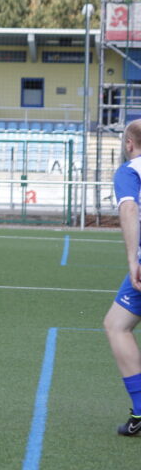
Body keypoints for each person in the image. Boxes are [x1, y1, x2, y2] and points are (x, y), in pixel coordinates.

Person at [104, 119, 141, 436]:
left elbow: (129, 209)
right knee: (117, 322)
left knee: (117, 326)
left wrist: (132, 260)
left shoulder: (130, 171)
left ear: (129, 143)